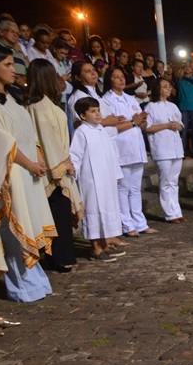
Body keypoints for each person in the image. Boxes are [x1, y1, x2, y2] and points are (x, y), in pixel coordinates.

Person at [0, 43, 56, 300]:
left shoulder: (12, 97)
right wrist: (29, 163)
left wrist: (37, 158)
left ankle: (35, 279)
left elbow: (28, 133)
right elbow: (2, 143)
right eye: (7, 65)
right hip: (11, 173)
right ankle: (21, 285)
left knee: (29, 224)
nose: (14, 70)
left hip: (29, 171)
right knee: (14, 229)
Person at [26, 60, 83, 273]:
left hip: (60, 161)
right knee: (57, 212)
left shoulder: (47, 104)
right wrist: (63, 163)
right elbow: (46, 140)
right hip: (52, 169)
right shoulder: (37, 107)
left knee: (60, 213)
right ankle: (59, 258)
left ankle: (60, 256)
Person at [70, 97, 123, 262]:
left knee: (106, 209)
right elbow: (75, 155)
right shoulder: (81, 132)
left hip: (106, 178)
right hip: (91, 180)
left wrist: (116, 174)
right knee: (93, 210)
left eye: (98, 110)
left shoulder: (101, 130)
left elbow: (111, 154)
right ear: (83, 116)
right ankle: (95, 248)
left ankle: (105, 244)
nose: (98, 114)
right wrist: (73, 171)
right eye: (93, 111)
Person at [102, 66, 153, 238]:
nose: (121, 79)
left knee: (135, 189)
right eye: (116, 77)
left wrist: (142, 121)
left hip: (136, 147)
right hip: (121, 147)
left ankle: (140, 223)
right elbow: (112, 126)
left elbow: (139, 123)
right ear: (109, 80)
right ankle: (127, 225)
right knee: (123, 190)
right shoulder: (107, 100)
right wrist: (134, 122)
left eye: (122, 76)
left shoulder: (130, 99)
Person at [144, 77, 185, 223]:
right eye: (165, 86)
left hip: (176, 148)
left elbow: (181, 125)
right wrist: (166, 125)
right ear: (158, 89)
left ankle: (177, 211)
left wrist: (177, 126)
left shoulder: (173, 106)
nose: (169, 89)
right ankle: (169, 213)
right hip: (162, 148)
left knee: (174, 181)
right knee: (165, 181)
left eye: (169, 86)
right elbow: (147, 127)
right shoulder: (151, 107)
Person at [176, 62, 193, 158]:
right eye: (186, 67)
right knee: (183, 131)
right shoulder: (181, 79)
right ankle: (182, 152)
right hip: (183, 107)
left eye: (189, 67)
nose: (187, 68)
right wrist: (183, 66)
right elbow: (179, 75)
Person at [0, 17, 28, 95]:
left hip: (19, 96)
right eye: (12, 32)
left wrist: (25, 79)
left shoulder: (19, 53)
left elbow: (28, 72)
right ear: (1, 32)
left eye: (17, 33)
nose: (16, 35)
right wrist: (16, 79)